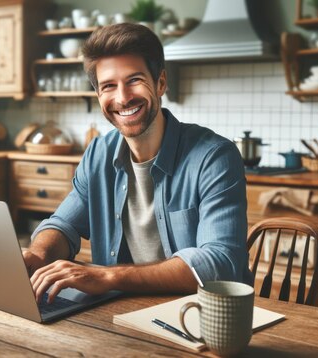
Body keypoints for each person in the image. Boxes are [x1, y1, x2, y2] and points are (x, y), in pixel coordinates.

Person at [24, 23, 252, 303]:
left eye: (134, 80)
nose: (122, 98)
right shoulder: (98, 154)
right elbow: (63, 225)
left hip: (200, 316)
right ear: (99, 96)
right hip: (118, 317)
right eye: (109, 86)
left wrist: (109, 277)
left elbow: (220, 263)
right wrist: (38, 255)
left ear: (160, 83)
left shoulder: (214, 157)